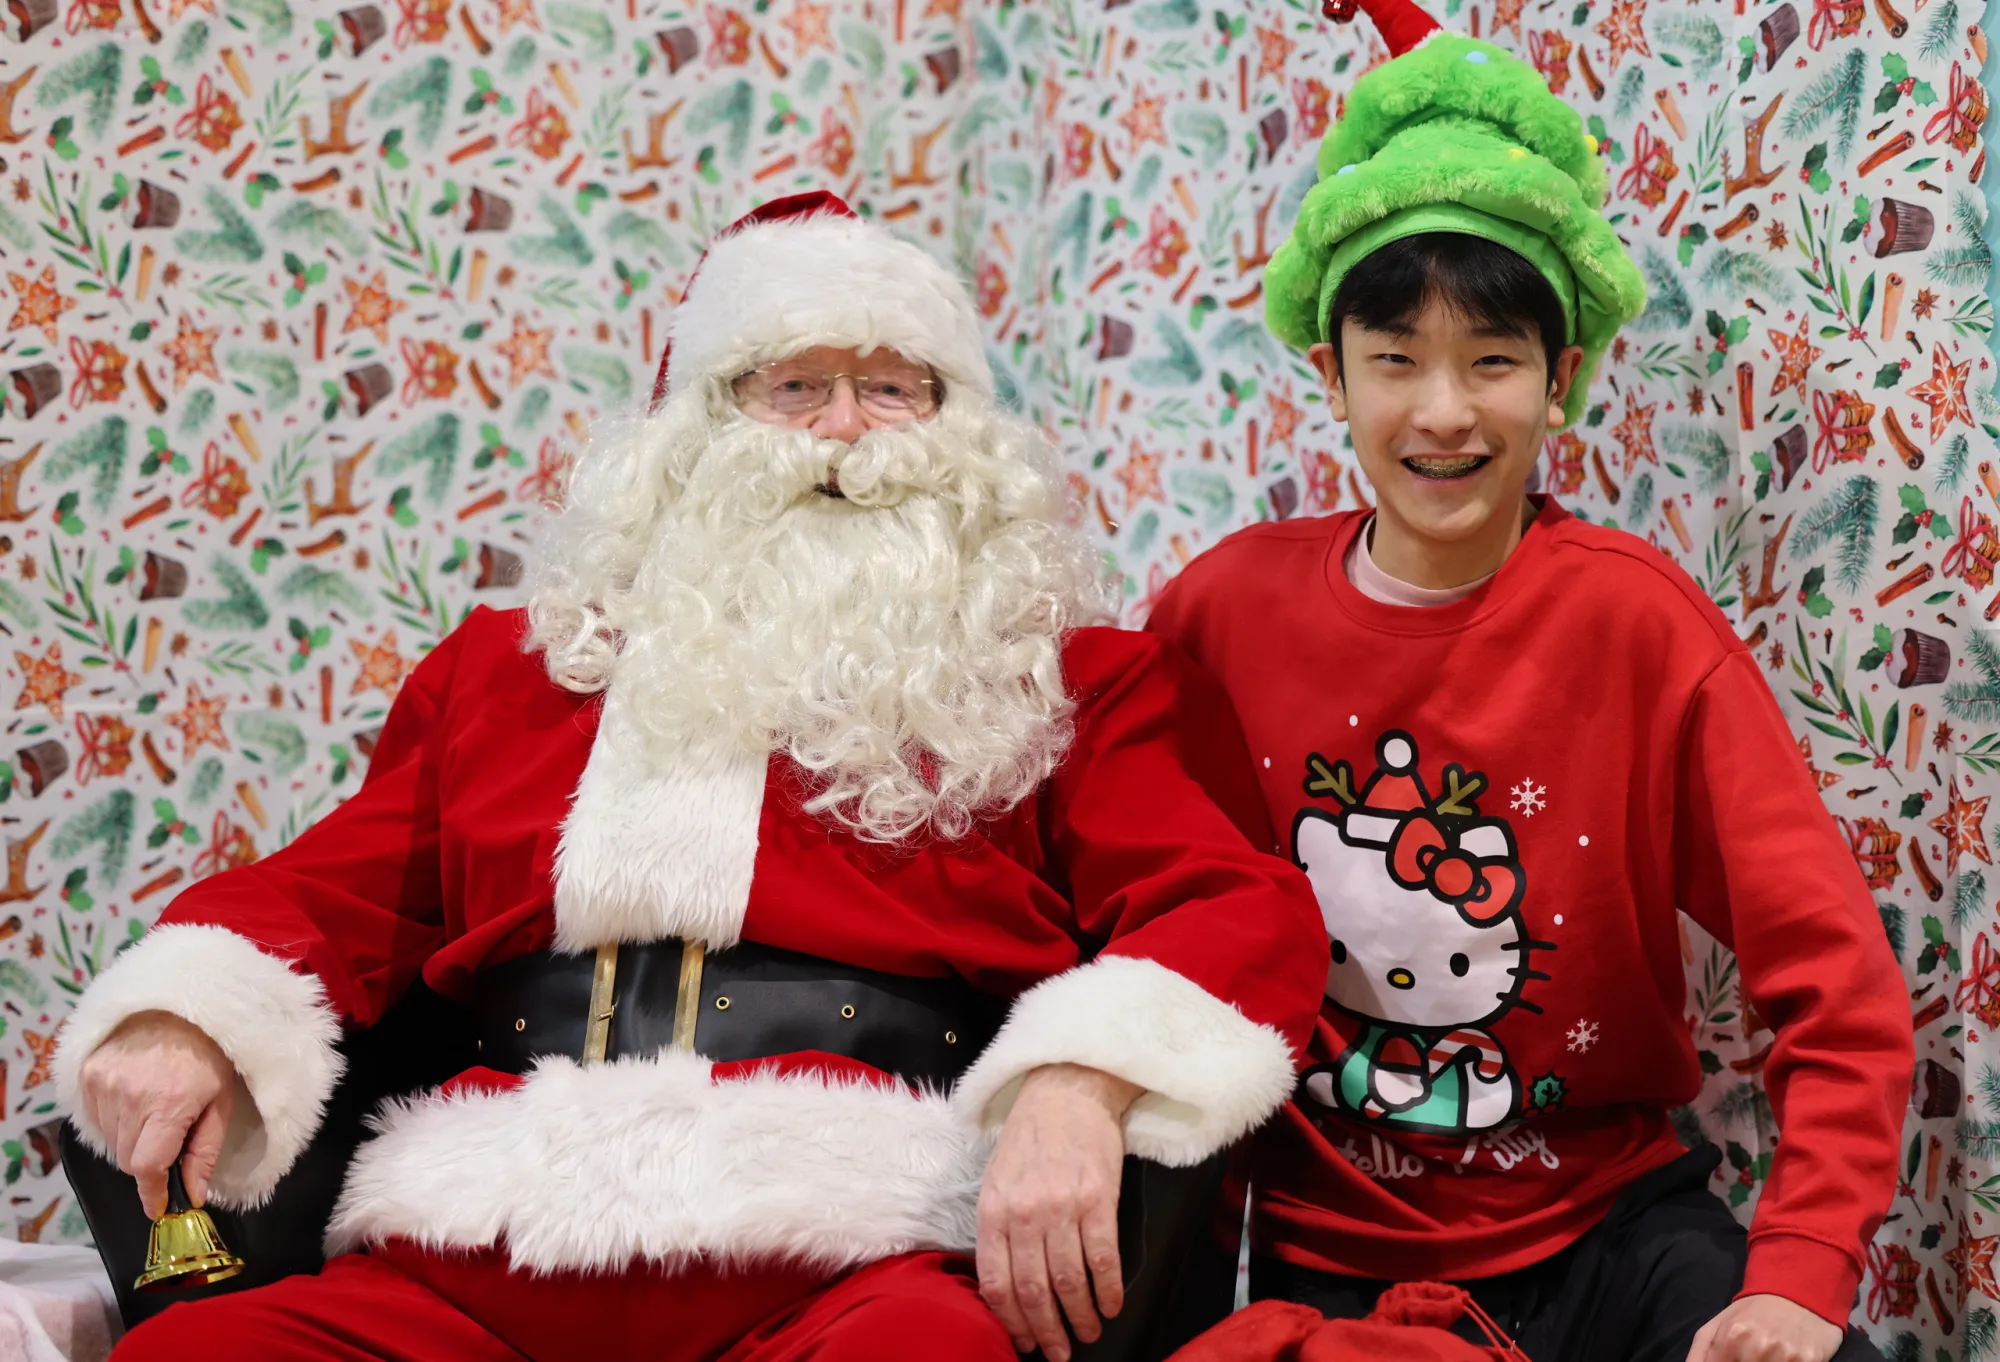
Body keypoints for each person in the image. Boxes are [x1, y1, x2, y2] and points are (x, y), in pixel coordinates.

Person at [54, 193, 1327, 1362]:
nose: (844, 430)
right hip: (479, 1248)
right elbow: (330, 892)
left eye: (893, 388)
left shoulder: (1070, 684)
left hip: (858, 1256)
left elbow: (1227, 907)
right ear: (695, 426)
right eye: (794, 387)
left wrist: (1078, 1076)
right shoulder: (508, 674)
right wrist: (187, 1011)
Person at [1145, 6, 1913, 1362]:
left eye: (1490, 360)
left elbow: (1831, 973)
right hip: (1314, 1254)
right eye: (1395, 360)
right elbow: (1129, 911)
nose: (1443, 410)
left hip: (1611, 1229)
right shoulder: (1219, 614)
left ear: (1560, 381)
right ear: (1331, 375)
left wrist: (1799, 1270)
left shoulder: (1636, 623)